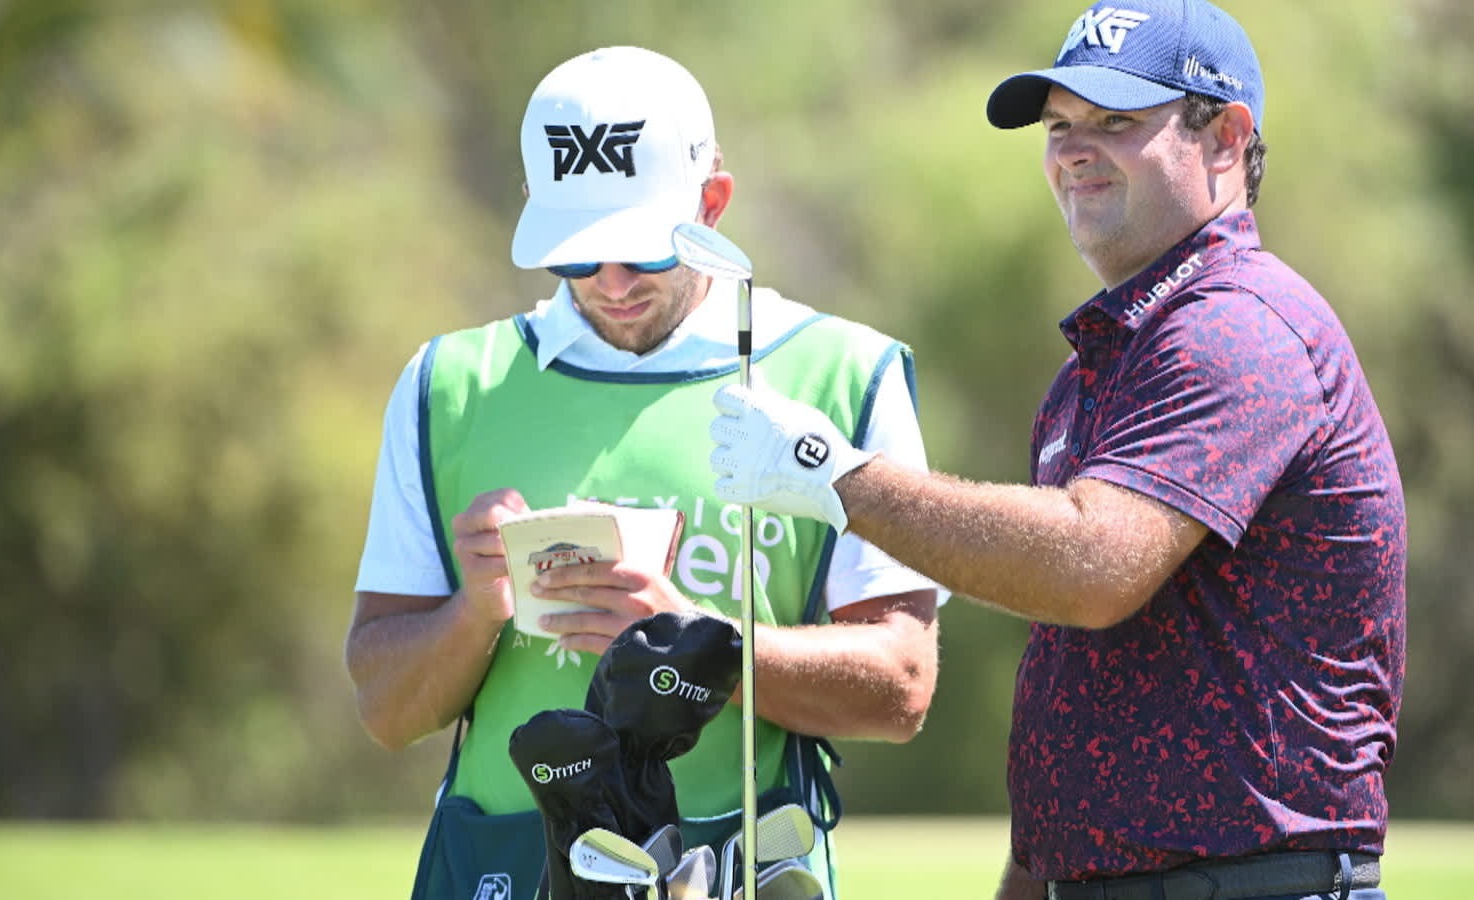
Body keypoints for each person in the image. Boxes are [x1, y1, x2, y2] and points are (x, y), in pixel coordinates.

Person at [707, 2, 1407, 899]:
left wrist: (837, 477)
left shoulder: (1239, 326)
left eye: (1116, 121)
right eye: (1059, 126)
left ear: (1227, 139)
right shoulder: (1099, 371)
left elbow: (1091, 566)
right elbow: (1080, 692)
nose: (1074, 150)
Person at [345, 45, 940, 900]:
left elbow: (901, 688)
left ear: (714, 201)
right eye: (578, 256)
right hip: (498, 870)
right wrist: (474, 611)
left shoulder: (846, 374)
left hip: (742, 869)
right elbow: (386, 709)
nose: (611, 283)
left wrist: (699, 648)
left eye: (642, 253)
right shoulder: (449, 386)